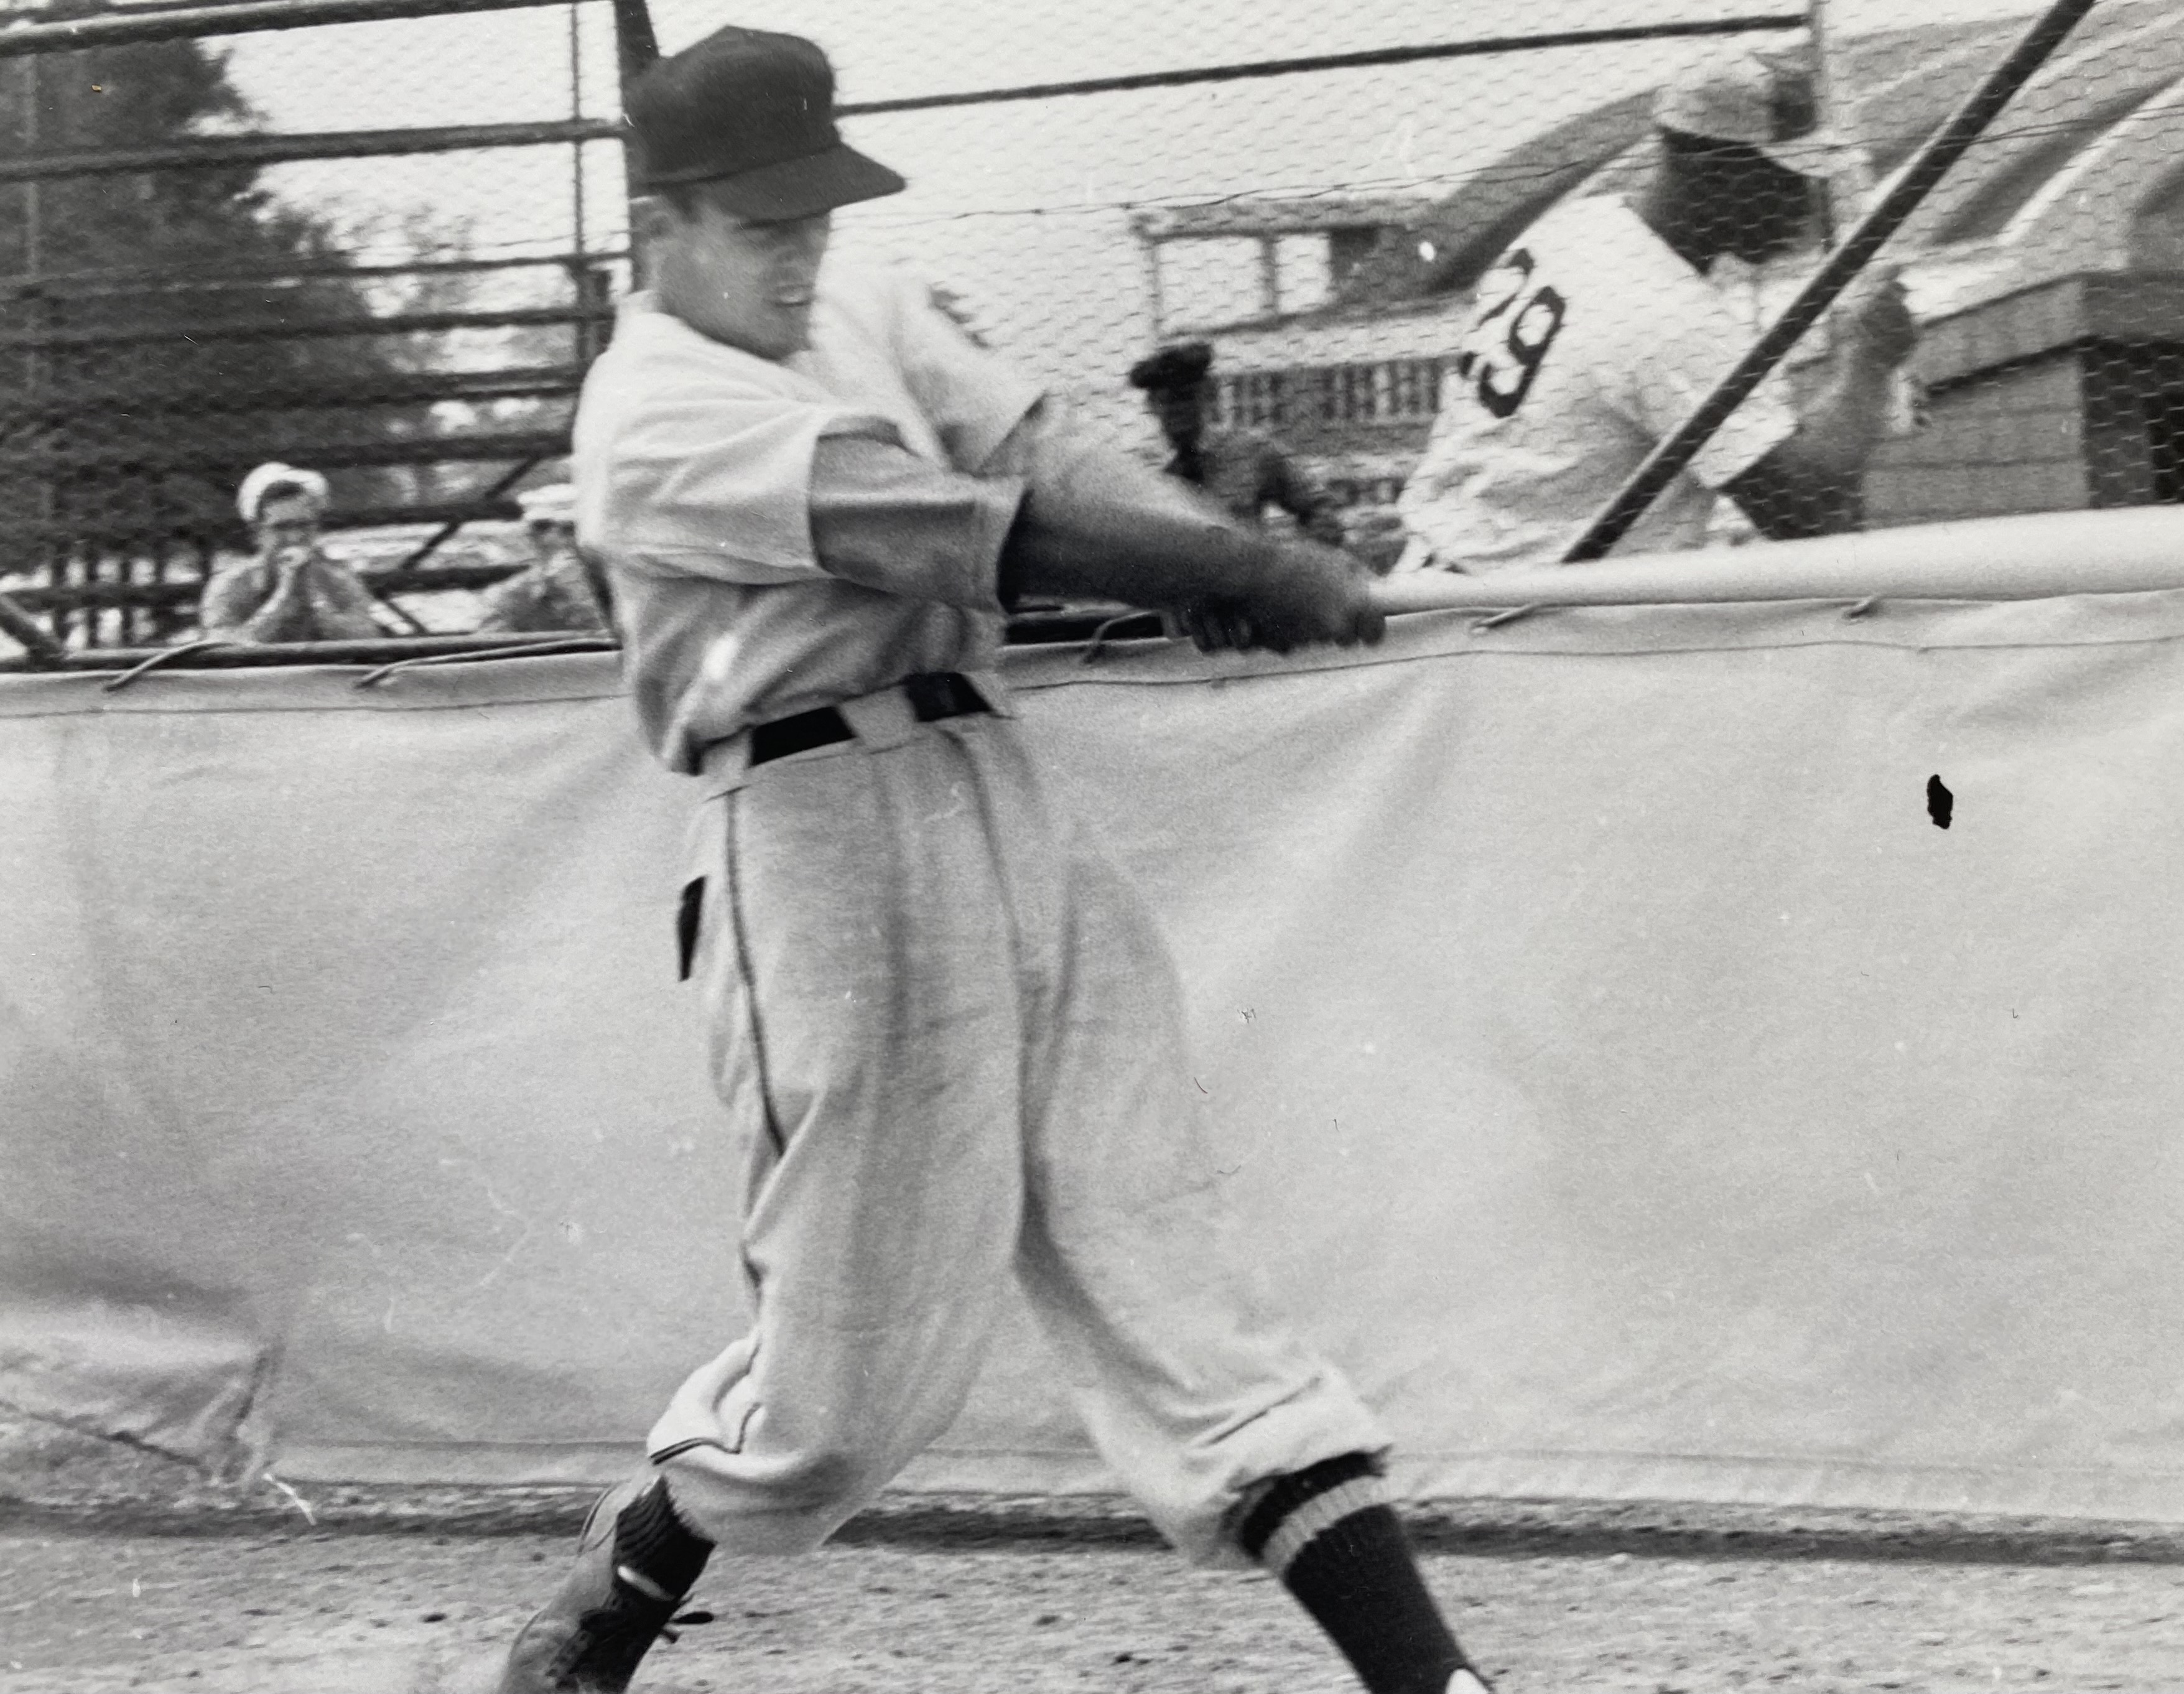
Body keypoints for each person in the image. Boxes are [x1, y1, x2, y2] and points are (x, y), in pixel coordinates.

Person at [493, 27, 1493, 1694]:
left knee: (1163, 1239)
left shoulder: (850, 298)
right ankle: (617, 1588)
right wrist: (1234, 563)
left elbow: (1039, 453)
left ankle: (1434, 1681)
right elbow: (972, 532)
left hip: (992, 779)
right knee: (839, 1397)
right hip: (815, 835)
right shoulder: (651, 415)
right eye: (763, 227)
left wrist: (1202, 554)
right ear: (656, 227)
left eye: (815, 216)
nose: (803, 256)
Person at [1393, 37, 1920, 573]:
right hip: (1518, 619)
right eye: (1784, 176)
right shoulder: (1673, 318)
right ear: (1713, 171)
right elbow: (1804, 514)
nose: (1804, 199)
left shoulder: (1578, 227)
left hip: (1440, 582)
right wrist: (1870, 364)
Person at [1128, 339, 1347, 546]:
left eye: (1187, 397)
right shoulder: (1139, 472)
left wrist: (1318, 534)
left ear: (1207, 395)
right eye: (1167, 401)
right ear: (1151, 405)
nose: (1178, 410)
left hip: (1246, 581)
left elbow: (1317, 505)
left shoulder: (1251, 451)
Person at [198, 462, 392, 643]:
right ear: (257, 534)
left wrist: (314, 599)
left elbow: (368, 639)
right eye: (281, 528)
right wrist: (284, 599)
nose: (294, 537)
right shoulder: (228, 587)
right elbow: (222, 649)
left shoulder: (340, 581)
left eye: (304, 525)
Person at [475, 483, 614, 635]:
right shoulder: (513, 597)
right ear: (530, 536)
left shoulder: (628, 588)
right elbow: (486, 650)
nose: (552, 539)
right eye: (541, 529)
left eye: (571, 529)